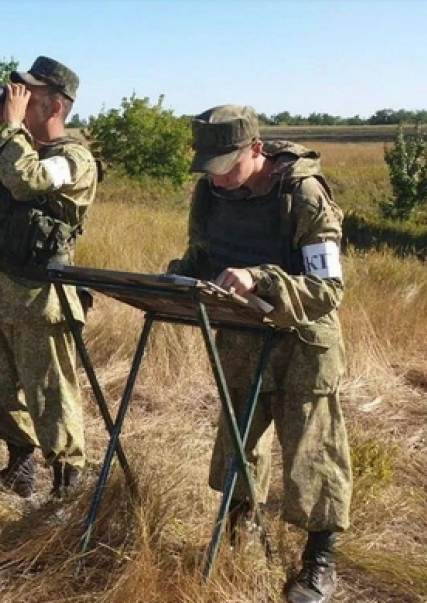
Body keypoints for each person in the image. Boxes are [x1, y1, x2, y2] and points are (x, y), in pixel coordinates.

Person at [168, 105, 351, 603]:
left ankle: (318, 561)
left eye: (228, 165)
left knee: (312, 456)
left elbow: (328, 290)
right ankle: (235, 530)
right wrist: (180, 277)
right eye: (210, 168)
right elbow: (202, 256)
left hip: (302, 346)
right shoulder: (209, 192)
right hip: (241, 341)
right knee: (236, 448)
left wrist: (261, 278)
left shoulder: (304, 195)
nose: (219, 179)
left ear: (256, 149)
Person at [0, 56, 99, 499]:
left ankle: (66, 485)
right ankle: (20, 465)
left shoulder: (74, 159)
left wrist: (10, 129)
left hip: (42, 300)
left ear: (55, 105)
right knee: (2, 388)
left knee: (50, 394)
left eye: (28, 95)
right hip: (0, 291)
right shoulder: (13, 148)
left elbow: (28, 181)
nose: (18, 101)